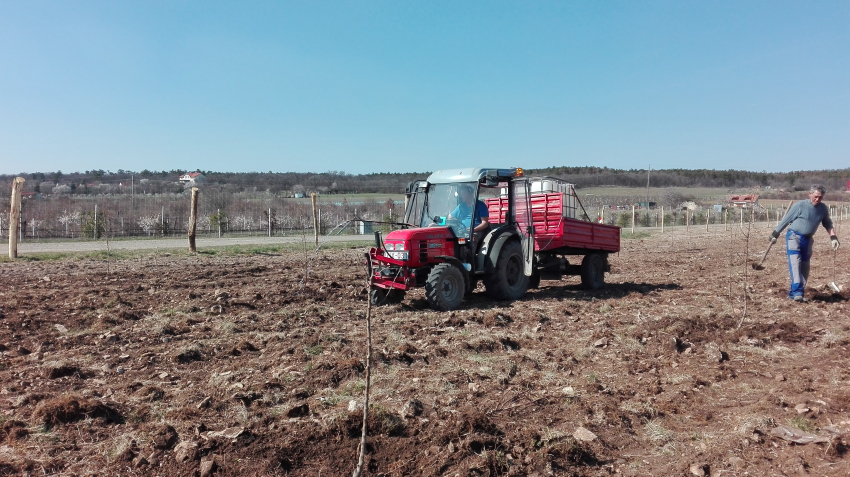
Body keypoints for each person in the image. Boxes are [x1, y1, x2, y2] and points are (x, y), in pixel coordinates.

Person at [770, 185, 840, 302]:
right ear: (810, 194)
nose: (817, 199)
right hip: (794, 236)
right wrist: (775, 234)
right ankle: (797, 292)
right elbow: (786, 220)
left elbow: (827, 223)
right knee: (795, 262)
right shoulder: (800, 205)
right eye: (816, 197)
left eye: (820, 197)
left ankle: (796, 292)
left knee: (805, 267)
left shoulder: (822, 208)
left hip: (807, 240)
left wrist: (833, 237)